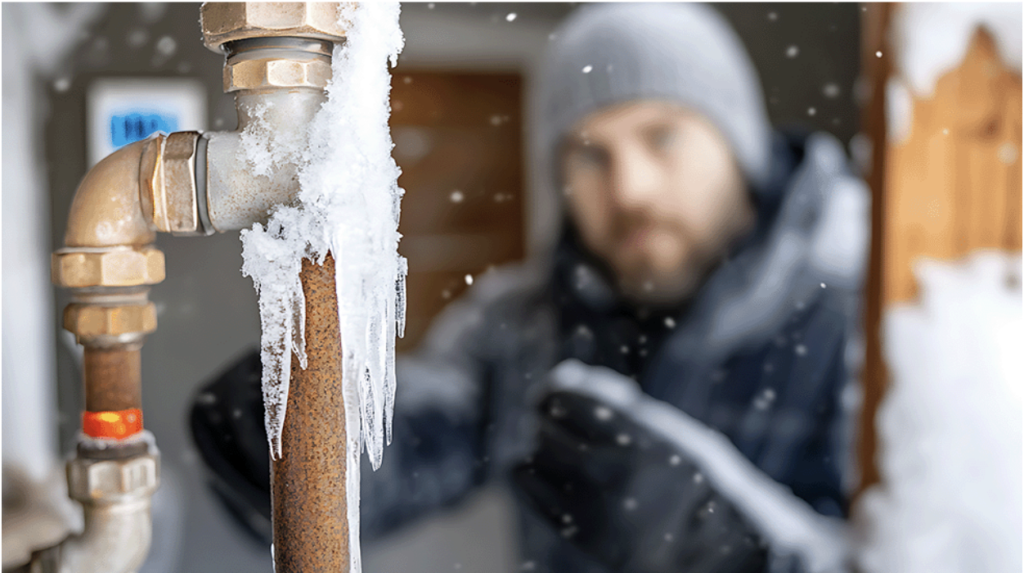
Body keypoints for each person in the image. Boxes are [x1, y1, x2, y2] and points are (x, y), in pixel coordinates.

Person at [190, 4, 869, 572]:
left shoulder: (876, 314)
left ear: (739, 144)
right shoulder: (525, 321)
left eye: (662, 137)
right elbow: (418, 441)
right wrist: (300, 450)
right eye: (590, 153)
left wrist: (722, 546)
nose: (628, 188)